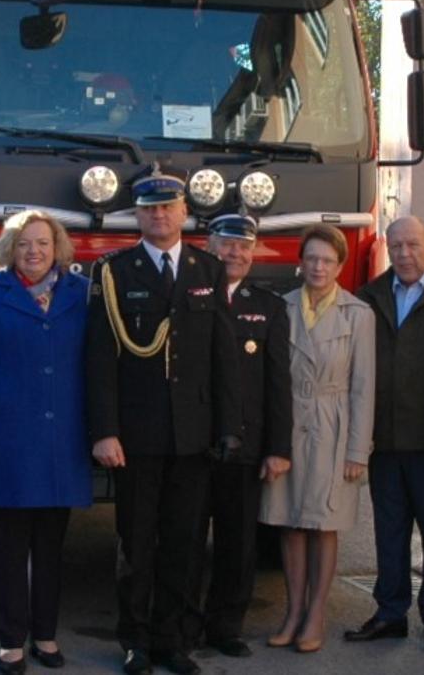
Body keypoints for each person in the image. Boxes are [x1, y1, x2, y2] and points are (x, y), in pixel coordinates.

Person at [86, 168, 240, 675]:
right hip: (136, 434)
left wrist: (227, 427)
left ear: (184, 213)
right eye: (150, 208)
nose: (159, 215)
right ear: (137, 215)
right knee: (136, 544)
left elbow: (222, 356)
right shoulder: (113, 272)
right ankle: (134, 640)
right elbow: (101, 359)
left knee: (184, 543)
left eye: (168, 207)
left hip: (192, 435)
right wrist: (104, 430)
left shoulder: (207, 269)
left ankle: (171, 641)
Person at [0, 209, 94, 675]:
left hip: (62, 440)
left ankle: (45, 635)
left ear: (58, 248)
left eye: (43, 243)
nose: (34, 251)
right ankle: (11, 641)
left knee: (51, 550)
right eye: (24, 243)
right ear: (10, 249)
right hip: (6, 439)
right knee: (8, 550)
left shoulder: (80, 292)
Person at [349, 215, 424, 653]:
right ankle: (390, 613)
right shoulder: (370, 296)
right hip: (384, 439)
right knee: (389, 533)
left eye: (413, 245)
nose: (404, 254)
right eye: (396, 246)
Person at [259, 224, 376, 654]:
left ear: (341, 266)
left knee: (324, 524)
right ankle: (292, 612)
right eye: (311, 258)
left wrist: (357, 450)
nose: (318, 267)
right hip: (289, 422)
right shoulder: (281, 307)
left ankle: (315, 614)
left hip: (333, 426)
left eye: (327, 260)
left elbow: (363, 387)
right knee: (290, 520)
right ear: (300, 262)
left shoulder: (358, 315)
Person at [185, 214, 292, 658]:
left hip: (246, 444)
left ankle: (225, 626)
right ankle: (183, 625)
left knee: (239, 543)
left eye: (244, 246)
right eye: (227, 245)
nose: (235, 253)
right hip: (193, 442)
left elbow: (278, 383)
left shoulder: (269, 307)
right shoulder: (188, 297)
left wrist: (278, 448)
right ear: (208, 247)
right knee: (185, 541)